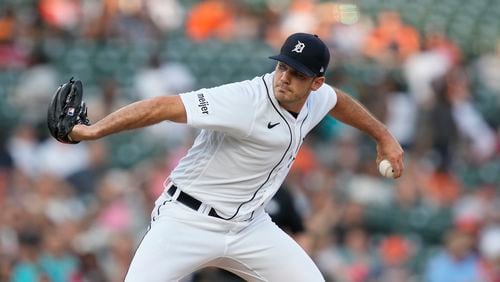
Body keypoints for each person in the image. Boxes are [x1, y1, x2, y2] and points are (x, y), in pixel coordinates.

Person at [69, 33, 404, 282]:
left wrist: (383, 136)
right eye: (283, 67)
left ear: (316, 82)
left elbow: (339, 101)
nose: (285, 78)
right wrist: (94, 130)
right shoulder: (244, 100)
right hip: (188, 219)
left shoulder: (317, 99)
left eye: (298, 74)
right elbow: (163, 106)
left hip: (248, 227)